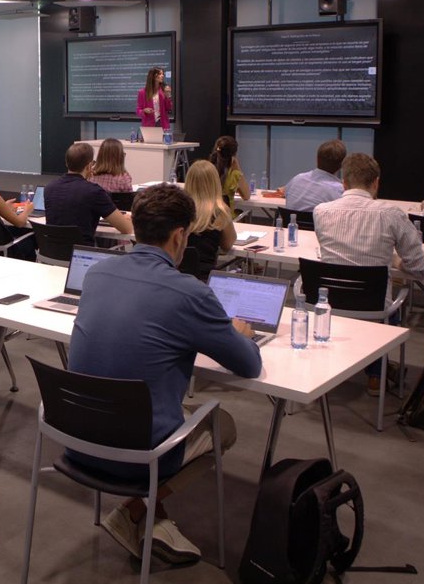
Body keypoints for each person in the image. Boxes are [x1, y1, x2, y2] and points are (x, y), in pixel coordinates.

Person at [68, 183, 261, 563]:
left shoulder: (97, 274)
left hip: (74, 436)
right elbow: (248, 365)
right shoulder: (189, 292)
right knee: (222, 425)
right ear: (179, 236)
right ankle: (134, 511)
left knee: (152, 402)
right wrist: (241, 334)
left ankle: (152, 520)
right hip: (135, 454)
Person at [313, 153, 424, 395]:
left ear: (344, 183)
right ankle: (376, 376)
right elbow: (419, 266)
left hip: (329, 303)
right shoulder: (391, 214)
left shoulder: (321, 211)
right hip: (375, 308)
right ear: (376, 182)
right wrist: (395, 260)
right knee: (389, 305)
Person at [43, 143, 133, 244]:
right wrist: (127, 219)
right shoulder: (94, 192)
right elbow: (126, 228)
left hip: (51, 252)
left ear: (66, 163)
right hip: (82, 252)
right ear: (89, 166)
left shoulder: (49, 188)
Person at [180, 160, 237, 281]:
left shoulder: (179, 209)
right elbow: (227, 245)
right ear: (215, 183)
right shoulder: (220, 211)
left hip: (177, 277)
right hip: (206, 280)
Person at [282, 139, 346, 213]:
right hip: (319, 221)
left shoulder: (297, 179)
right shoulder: (339, 190)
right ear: (341, 164)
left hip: (291, 220)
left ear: (317, 159)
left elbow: (286, 195)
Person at [209, 135, 250, 207]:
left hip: (206, 213)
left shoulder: (205, 172)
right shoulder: (234, 175)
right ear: (234, 155)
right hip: (227, 213)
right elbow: (246, 196)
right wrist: (237, 167)